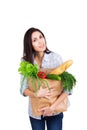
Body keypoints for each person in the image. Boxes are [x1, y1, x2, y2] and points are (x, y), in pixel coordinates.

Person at [20, 27, 71, 130]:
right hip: (35, 113)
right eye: (35, 40)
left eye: (41, 37)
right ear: (29, 44)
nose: (40, 42)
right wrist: (36, 94)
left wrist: (52, 107)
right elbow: (23, 89)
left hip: (55, 111)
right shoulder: (25, 62)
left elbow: (68, 88)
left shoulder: (56, 58)